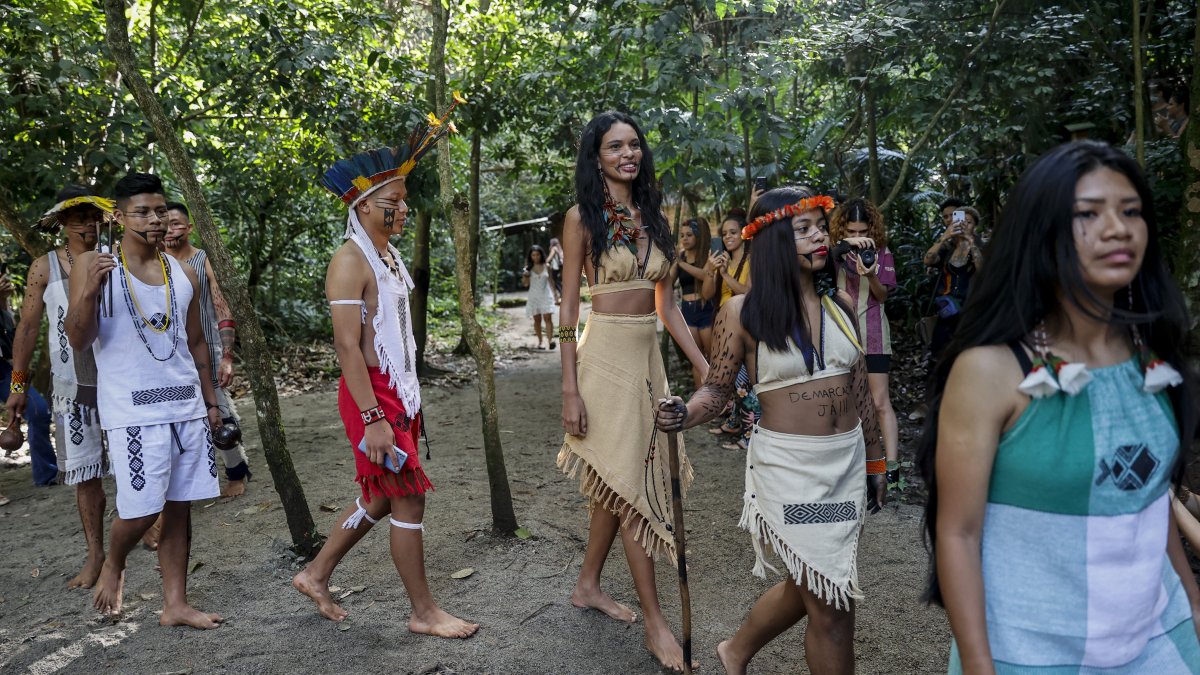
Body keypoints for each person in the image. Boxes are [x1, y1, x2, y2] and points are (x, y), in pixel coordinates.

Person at [919, 140, 1200, 672]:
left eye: (1131, 211)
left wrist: (1193, 603)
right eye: (1088, 215)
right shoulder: (991, 369)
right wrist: (981, 667)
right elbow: (958, 533)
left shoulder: (1151, 355)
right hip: (1031, 651)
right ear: (1042, 235)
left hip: (1158, 643)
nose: (1117, 228)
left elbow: (1147, 499)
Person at [655, 185, 887, 674]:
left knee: (820, 582)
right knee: (832, 605)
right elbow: (717, 390)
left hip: (844, 467)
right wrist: (686, 412)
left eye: (821, 227)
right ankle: (738, 650)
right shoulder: (742, 313)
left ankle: (735, 650)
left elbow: (861, 391)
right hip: (789, 469)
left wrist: (876, 459)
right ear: (776, 240)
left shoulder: (842, 306)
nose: (819, 237)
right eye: (803, 229)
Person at [292, 109, 478, 639]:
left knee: (380, 494)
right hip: (371, 396)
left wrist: (405, 400)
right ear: (362, 205)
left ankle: (315, 573)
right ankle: (423, 612)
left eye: (402, 201)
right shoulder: (350, 261)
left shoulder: (387, 256)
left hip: (397, 392)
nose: (401, 209)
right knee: (407, 495)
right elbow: (347, 346)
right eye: (391, 203)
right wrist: (374, 417)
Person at [557, 110, 708, 672]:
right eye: (615, 146)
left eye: (634, 145)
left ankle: (588, 584)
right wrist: (570, 390)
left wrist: (704, 366)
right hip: (602, 360)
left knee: (618, 480)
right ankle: (655, 620)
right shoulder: (582, 219)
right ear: (596, 156)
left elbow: (667, 306)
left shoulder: (656, 217)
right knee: (631, 489)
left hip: (649, 362)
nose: (629, 154)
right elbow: (570, 310)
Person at [66, 172, 224, 628]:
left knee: (179, 504)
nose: (155, 220)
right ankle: (114, 561)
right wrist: (92, 288)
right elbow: (79, 339)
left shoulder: (183, 270)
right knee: (144, 507)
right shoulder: (93, 264)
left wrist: (211, 404)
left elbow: (196, 343)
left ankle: (175, 604)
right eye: (143, 212)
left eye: (160, 211)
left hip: (186, 404)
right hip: (133, 408)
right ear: (119, 217)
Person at [8, 185, 110, 587]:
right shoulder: (43, 267)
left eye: (93, 215)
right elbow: (28, 328)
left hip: (121, 380)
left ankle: (148, 529)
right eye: (79, 216)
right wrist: (18, 384)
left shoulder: (118, 257)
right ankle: (95, 554)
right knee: (86, 475)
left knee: (136, 462)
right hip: (73, 388)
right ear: (63, 222)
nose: (88, 222)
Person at [163, 202, 252, 497]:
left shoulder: (203, 260)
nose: (170, 229)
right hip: (169, 353)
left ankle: (237, 472)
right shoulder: (154, 263)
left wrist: (227, 356)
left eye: (176, 223)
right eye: (166, 224)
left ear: (189, 228)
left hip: (208, 347)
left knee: (219, 410)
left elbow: (221, 307)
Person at [829, 198, 901, 490]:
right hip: (841, 332)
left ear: (872, 227)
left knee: (880, 402)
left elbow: (882, 296)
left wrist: (871, 276)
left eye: (862, 231)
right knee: (847, 402)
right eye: (851, 231)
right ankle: (859, 465)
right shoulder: (835, 254)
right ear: (842, 229)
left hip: (874, 334)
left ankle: (892, 468)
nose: (858, 237)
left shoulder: (883, 253)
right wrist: (843, 248)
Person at [703, 209, 756, 448]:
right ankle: (736, 422)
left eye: (733, 232)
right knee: (732, 379)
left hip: (746, 325)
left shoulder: (752, 259)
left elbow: (750, 292)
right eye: (724, 233)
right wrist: (713, 272)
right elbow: (706, 295)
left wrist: (726, 274)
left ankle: (750, 436)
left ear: (744, 234)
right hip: (725, 327)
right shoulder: (722, 259)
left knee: (744, 382)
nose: (728, 237)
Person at [0, 272, 56, 486]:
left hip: (5, 370)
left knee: (38, 410)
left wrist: (2, 301)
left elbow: (12, 339)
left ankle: (47, 475)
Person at [922, 203, 983, 366]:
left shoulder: (980, 246)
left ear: (975, 226)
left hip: (970, 311)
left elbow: (984, 272)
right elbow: (928, 259)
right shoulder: (948, 248)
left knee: (966, 358)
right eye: (961, 221)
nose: (964, 225)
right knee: (939, 358)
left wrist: (970, 243)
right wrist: (944, 237)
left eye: (969, 222)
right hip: (947, 310)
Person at [672, 217, 715, 389]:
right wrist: (673, 262)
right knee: (697, 359)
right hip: (687, 311)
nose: (685, 238)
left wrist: (681, 263)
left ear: (698, 235)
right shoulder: (680, 257)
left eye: (689, 235)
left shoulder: (707, 256)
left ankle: (721, 400)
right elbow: (667, 283)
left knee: (713, 357)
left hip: (706, 308)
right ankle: (703, 403)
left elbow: (705, 275)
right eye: (682, 235)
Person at [521, 244, 558, 350]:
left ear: (541, 255)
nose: (536, 257)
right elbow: (525, 284)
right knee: (537, 320)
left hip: (546, 295)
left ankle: (550, 341)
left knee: (548, 318)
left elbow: (551, 281)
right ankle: (540, 342)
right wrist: (526, 275)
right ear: (530, 256)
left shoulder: (547, 266)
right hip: (534, 296)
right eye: (533, 255)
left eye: (537, 255)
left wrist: (555, 294)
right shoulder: (528, 268)